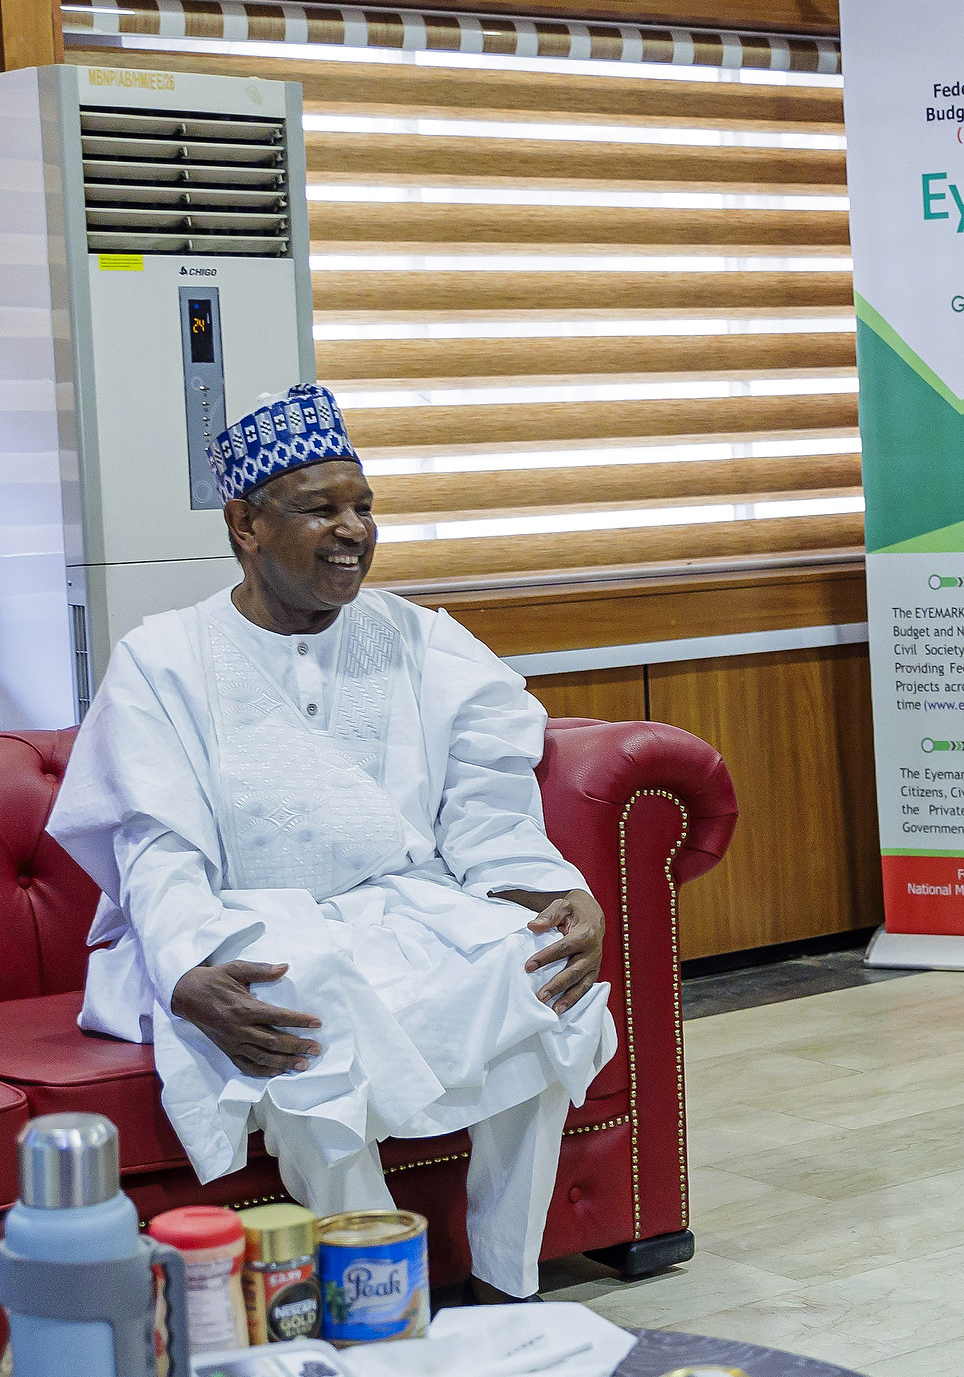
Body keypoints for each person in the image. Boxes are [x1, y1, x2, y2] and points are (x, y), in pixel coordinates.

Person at [49, 384, 615, 1302]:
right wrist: (191, 968)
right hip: (240, 921)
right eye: (320, 509)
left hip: (396, 906)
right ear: (246, 525)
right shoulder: (165, 658)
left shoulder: (420, 641)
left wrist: (549, 890)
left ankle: (507, 1281)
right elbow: (158, 846)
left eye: (363, 506)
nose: (352, 529)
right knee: (296, 998)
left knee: (536, 972)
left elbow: (487, 806)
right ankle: (377, 1290)